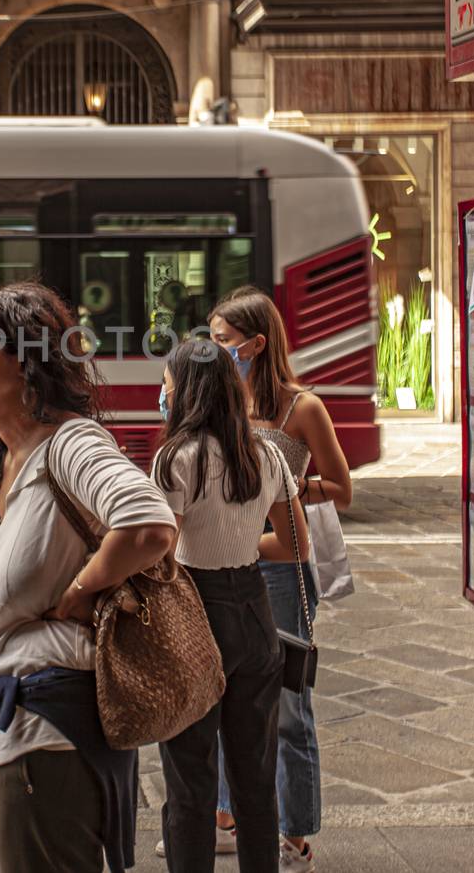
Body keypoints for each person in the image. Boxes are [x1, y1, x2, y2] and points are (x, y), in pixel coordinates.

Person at [0, 281, 177, 873]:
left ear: (28, 358)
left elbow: (149, 523)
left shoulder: (71, 443)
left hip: (48, 736)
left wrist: (81, 591)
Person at [209, 286, 352, 872]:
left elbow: (343, 489)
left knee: (289, 706)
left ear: (256, 343)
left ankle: (295, 837)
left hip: (279, 568)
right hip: (221, 564)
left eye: (222, 341)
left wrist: (283, 488)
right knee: (217, 693)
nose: (214, 350)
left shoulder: (302, 408)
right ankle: (225, 817)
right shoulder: (216, 401)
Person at [152, 339, 306, 873]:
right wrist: (240, 548)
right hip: (255, 616)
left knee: (190, 780)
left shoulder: (177, 459)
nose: (163, 396)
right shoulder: (267, 453)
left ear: (186, 393)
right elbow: (294, 546)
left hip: (197, 617)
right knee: (255, 780)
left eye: (167, 388)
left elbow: (161, 553)